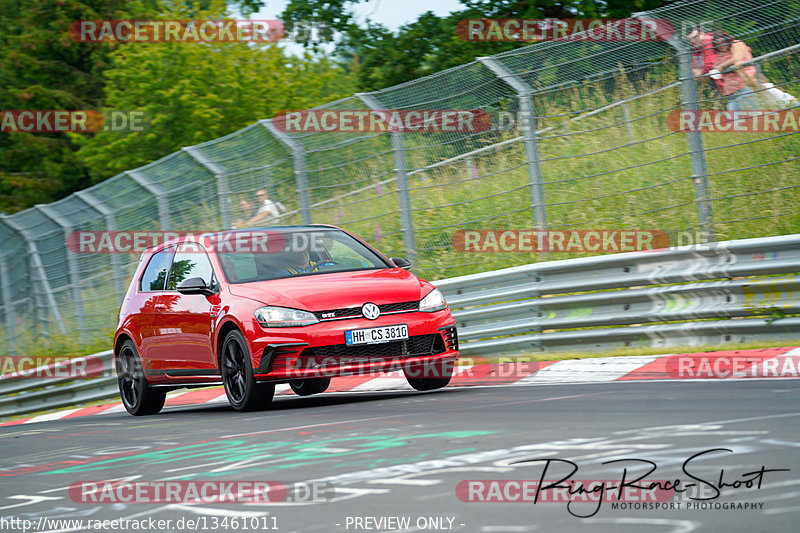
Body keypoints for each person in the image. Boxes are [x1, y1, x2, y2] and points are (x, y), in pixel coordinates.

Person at [710, 31, 762, 110]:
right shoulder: (721, 54)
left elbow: (737, 59)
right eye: (718, 44)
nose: (721, 45)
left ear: (727, 40)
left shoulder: (736, 44)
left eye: (722, 42)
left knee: (753, 116)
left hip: (744, 87)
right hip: (732, 93)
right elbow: (715, 67)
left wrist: (722, 67)